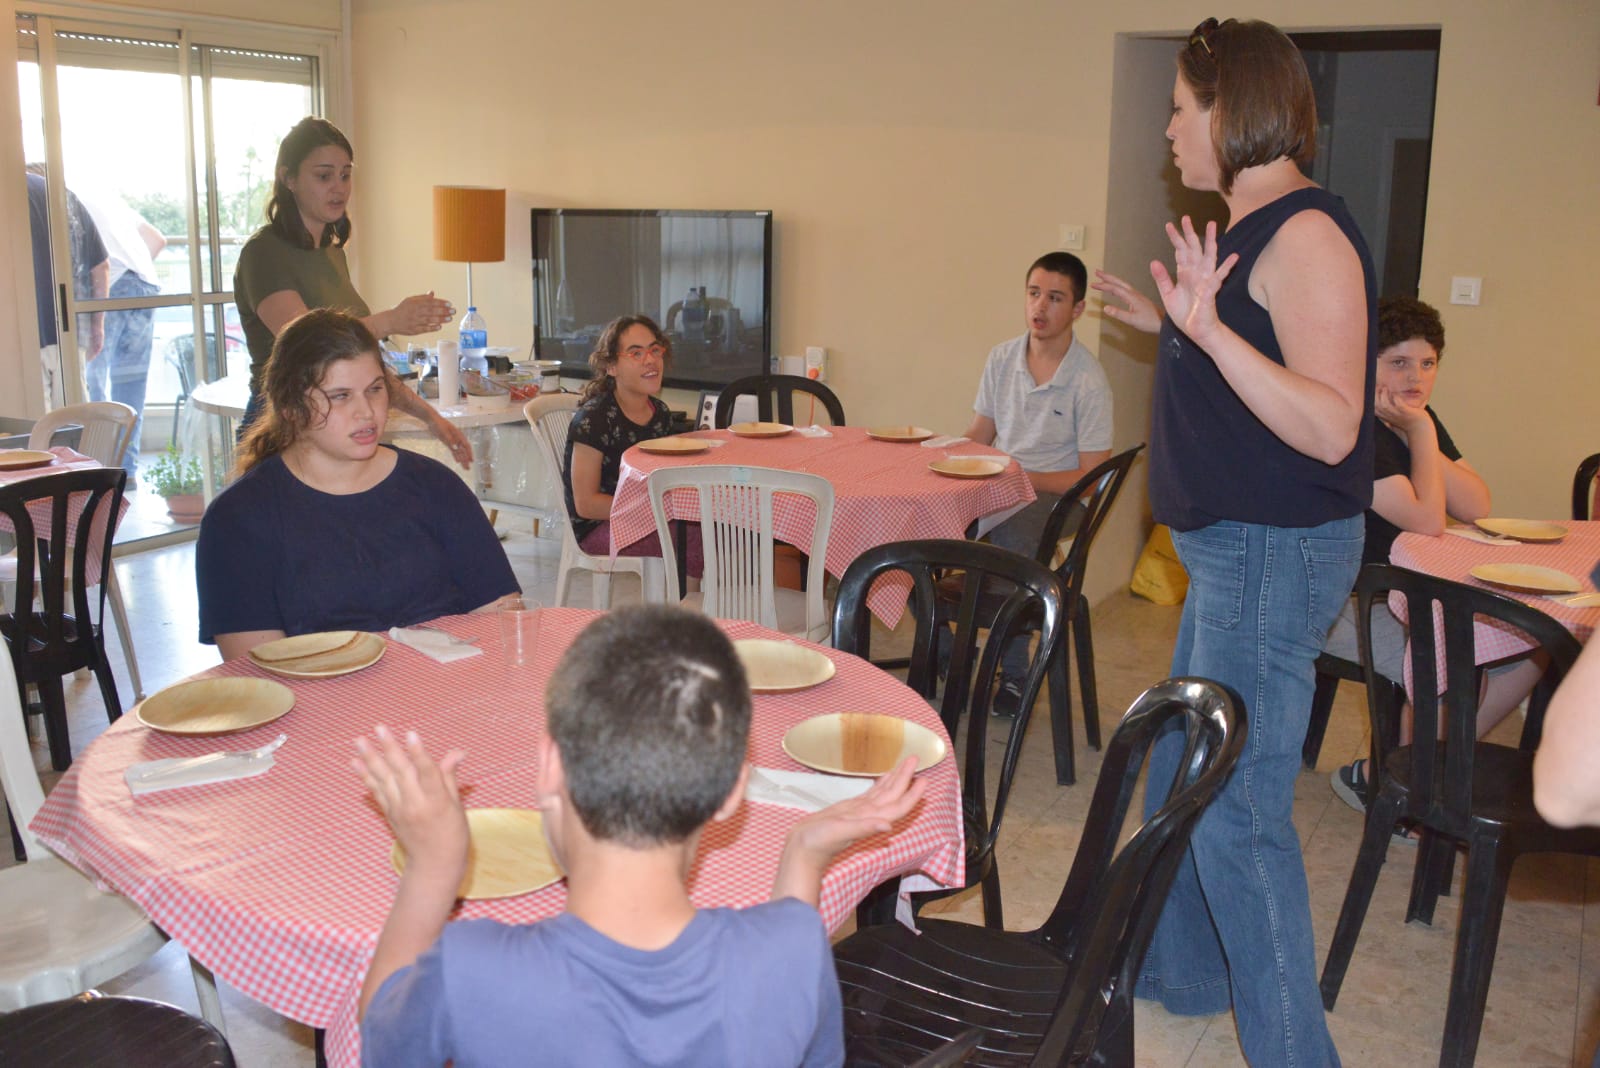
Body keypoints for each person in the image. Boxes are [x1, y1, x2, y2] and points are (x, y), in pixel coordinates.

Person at [1091, 18, 1375, 1065]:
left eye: (1178, 106)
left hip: (1271, 551)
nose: (1167, 129)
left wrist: (1204, 331)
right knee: (1182, 765)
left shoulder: (1304, 233)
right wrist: (1174, 324)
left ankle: (1297, 1052)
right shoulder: (1249, 228)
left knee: (1239, 814)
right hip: (1231, 548)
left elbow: (1333, 421)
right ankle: (1186, 974)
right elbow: (1247, 368)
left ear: (1231, 107)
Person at [354, 604, 925, 1066]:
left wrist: (435, 867)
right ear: (732, 793)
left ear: (550, 768)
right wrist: (802, 853)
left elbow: (384, 1037)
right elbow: (782, 980)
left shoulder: (470, 971)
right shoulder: (796, 950)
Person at [1320, 297, 1542, 813]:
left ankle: (1407, 775)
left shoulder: (1413, 415)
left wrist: (1421, 431)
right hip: (1350, 603)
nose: (1415, 377)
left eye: (1428, 363)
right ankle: (1407, 788)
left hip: (1406, 590)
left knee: (1532, 644)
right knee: (1452, 650)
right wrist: (1418, 433)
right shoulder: (1354, 427)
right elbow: (1427, 519)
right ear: (1365, 362)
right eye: (1398, 362)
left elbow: (1477, 504)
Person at [195, 309, 519, 661]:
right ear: (290, 406)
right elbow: (259, 671)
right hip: (321, 707)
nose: (366, 412)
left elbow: (502, 614)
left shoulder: (435, 487)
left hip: (450, 695)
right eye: (340, 396)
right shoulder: (239, 520)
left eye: (375, 390)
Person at [233, 116, 471, 467]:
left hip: (339, 425)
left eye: (346, 174)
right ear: (289, 178)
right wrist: (390, 320)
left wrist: (430, 417)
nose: (339, 187)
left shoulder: (332, 254)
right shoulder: (264, 253)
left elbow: (359, 368)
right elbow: (311, 344)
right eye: (324, 175)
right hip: (288, 425)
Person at [962, 250, 1112, 713]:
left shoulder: (1088, 380)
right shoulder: (1002, 358)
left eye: (1054, 298)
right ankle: (950, 649)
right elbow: (979, 437)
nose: (1040, 308)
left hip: (1058, 495)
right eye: (1033, 294)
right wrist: (946, 464)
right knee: (914, 523)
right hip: (1005, 484)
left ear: (1078, 309)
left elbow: (1090, 479)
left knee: (1009, 538)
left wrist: (1023, 476)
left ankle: (1015, 674)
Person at [564, 314, 702, 575]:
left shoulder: (660, 412)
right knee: (692, 539)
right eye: (636, 353)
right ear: (611, 366)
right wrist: (656, 509)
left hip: (645, 516)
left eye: (655, 350)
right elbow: (586, 504)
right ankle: (683, 612)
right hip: (598, 527)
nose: (650, 360)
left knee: (712, 530)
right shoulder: (594, 419)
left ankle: (704, 608)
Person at [76, 187, 166, 481]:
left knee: (94, 380)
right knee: (131, 384)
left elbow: (97, 264)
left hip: (109, 284)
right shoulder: (108, 198)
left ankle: (98, 471)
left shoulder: (65, 199)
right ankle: (125, 471)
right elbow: (157, 239)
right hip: (143, 282)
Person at [26, 168, 108, 409]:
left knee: (35, 431)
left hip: (24, 338)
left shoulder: (9, 197)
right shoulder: (62, 196)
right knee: (72, 424)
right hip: (69, 333)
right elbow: (101, 266)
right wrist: (97, 325)